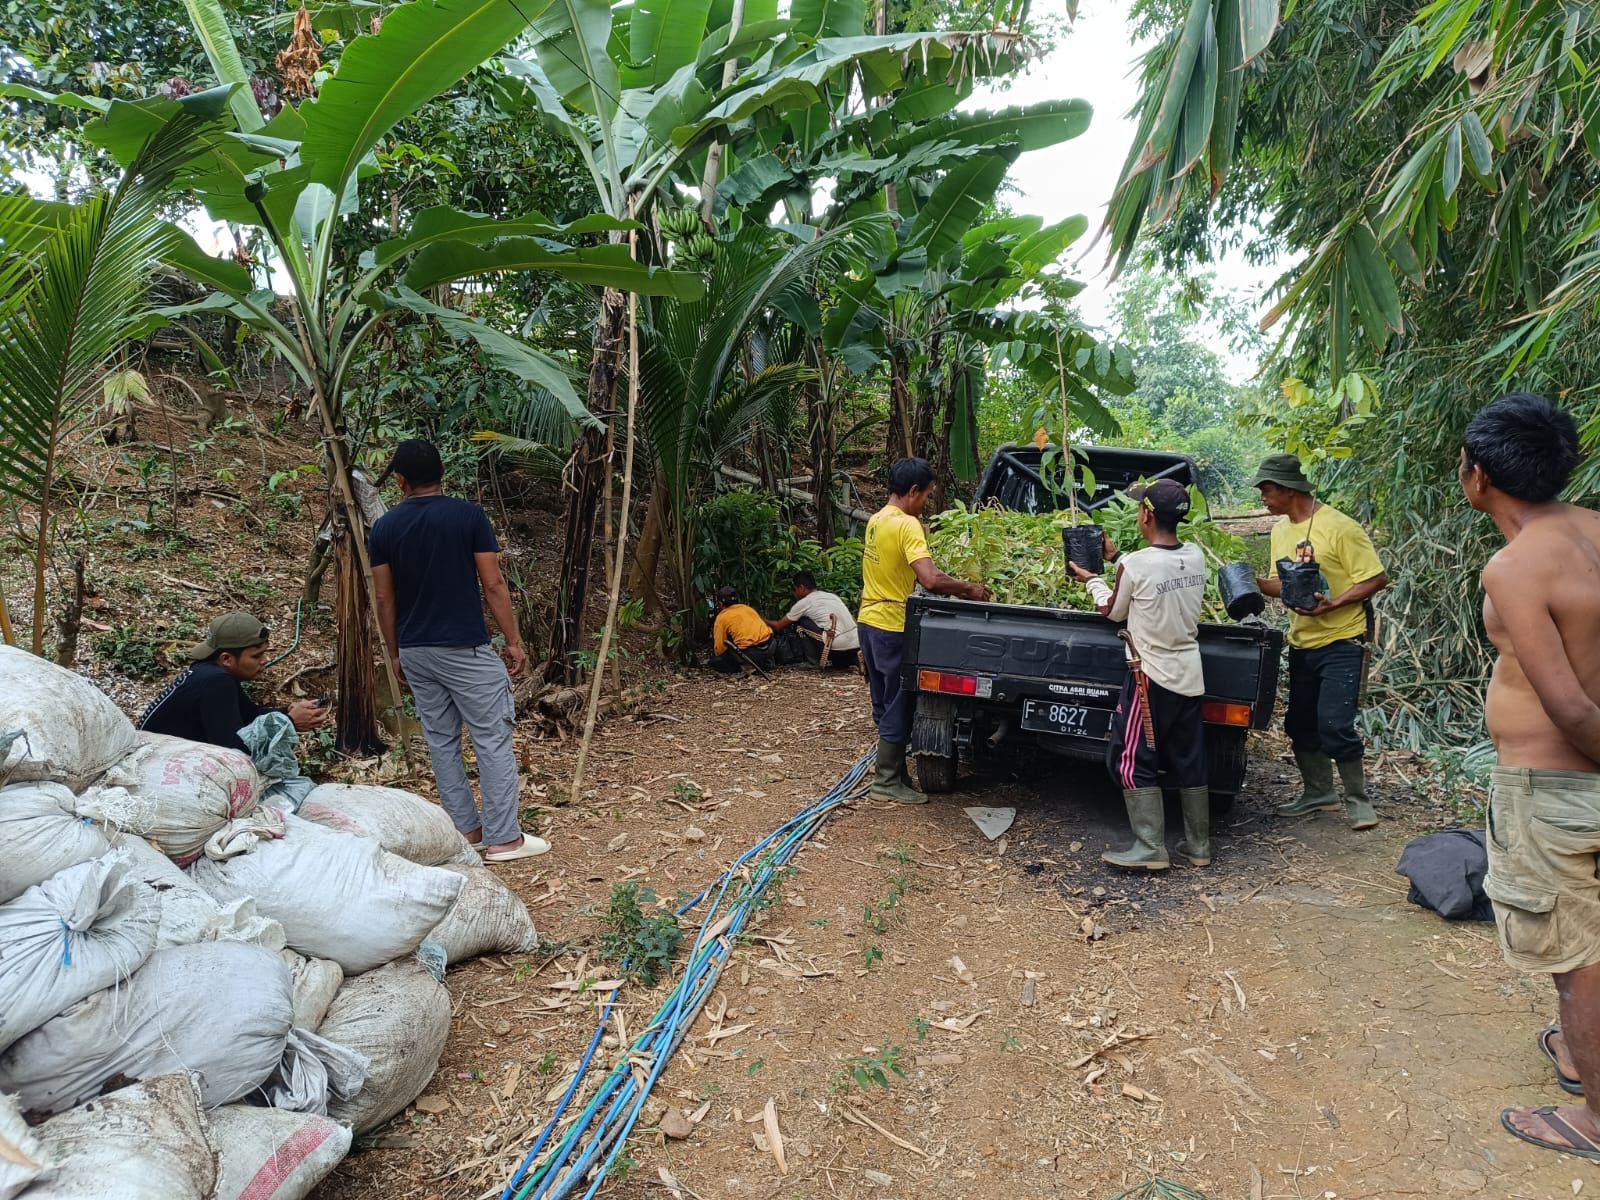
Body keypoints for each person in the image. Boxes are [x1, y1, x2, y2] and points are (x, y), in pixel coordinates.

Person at [1458, 393, 1600, 1161]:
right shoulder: (1595, 533)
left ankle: (1596, 1119)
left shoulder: (1515, 566)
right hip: (1583, 793)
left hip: (1552, 790)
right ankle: (1578, 1055)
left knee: (1575, 954)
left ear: (1478, 476)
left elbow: (1571, 707)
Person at [369, 439, 548, 863]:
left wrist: (396, 653)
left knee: (441, 742)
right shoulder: (468, 516)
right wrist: (513, 640)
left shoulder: (385, 528)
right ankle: (504, 839)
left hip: (416, 650)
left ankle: (465, 832)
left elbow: (383, 598)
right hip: (465, 648)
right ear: (443, 474)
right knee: (491, 739)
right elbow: (493, 584)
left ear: (399, 480)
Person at [1069, 479, 1210, 870]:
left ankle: (1150, 847)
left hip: (1150, 677)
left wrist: (1092, 579)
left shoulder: (1138, 564)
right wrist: (1117, 559)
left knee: (1132, 756)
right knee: (1189, 756)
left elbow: (1114, 610)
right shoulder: (1196, 556)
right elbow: (1158, 578)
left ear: (1145, 514)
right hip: (1189, 672)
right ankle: (1199, 845)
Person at [1252, 453, 1389, 829]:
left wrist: (1335, 604)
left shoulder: (1340, 527)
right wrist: (1253, 584)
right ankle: (1319, 793)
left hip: (1342, 639)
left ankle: (1358, 800)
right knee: (1300, 724)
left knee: (1334, 724)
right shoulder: (1281, 530)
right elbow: (1284, 583)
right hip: (1302, 642)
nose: (1262, 498)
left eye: (1266, 490)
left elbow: (1375, 578)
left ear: (1286, 489)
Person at [858, 457, 992, 804]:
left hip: (868, 620)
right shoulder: (907, 524)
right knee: (899, 703)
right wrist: (969, 589)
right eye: (927, 496)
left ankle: (897, 773)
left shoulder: (876, 520)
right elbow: (930, 579)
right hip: (891, 623)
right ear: (913, 491)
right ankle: (886, 782)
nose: (926, 503)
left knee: (884, 698)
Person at [139, 611, 328, 752]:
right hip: (155, 756)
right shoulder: (215, 681)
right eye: (256, 656)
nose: (265, 661)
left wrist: (287, 711)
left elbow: (249, 714)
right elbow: (233, 748)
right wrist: (289, 723)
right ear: (226, 659)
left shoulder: (213, 673)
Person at [765, 570, 860, 669]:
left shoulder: (805, 602)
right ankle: (850, 659)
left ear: (801, 587)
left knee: (800, 624)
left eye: (795, 589)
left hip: (837, 646)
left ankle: (812, 662)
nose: (795, 593)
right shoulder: (832, 596)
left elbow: (778, 626)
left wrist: (756, 617)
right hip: (856, 643)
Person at [709, 586, 774, 674]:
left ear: (720, 603)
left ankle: (745, 666)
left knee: (716, 661)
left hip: (751, 653)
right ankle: (764, 661)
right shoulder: (747, 608)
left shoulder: (722, 617)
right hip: (771, 645)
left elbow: (719, 649)